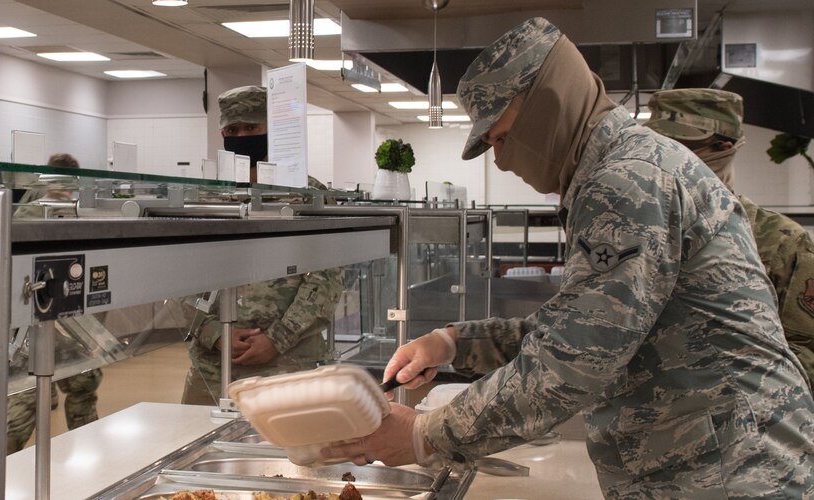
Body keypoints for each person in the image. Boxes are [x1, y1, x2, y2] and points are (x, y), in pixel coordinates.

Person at [323, 17, 814, 498]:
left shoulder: (624, 181)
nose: (501, 159)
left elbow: (573, 359)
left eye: (499, 136)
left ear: (544, 104)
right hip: (708, 463)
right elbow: (574, 326)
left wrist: (422, 433)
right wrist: (451, 343)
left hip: (728, 472)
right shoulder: (622, 165)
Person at [181, 86, 343, 405]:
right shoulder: (206, 196)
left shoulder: (308, 194)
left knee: (287, 453)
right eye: (232, 130)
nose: (241, 136)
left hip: (290, 364)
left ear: (272, 131)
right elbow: (180, 273)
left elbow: (328, 278)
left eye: (252, 128)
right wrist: (215, 334)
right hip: (212, 368)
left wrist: (277, 338)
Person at [645, 88, 814, 390]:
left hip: (746, 425)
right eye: (655, 149)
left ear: (723, 149)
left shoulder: (779, 241)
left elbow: (806, 352)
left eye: (677, 148)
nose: (660, 163)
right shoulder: (642, 234)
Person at [7, 153, 104, 453]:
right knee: (24, 402)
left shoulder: (70, 211)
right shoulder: (34, 212)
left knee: (84, 382)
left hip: (61, 321)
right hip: (29, 324)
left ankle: (87, 450)